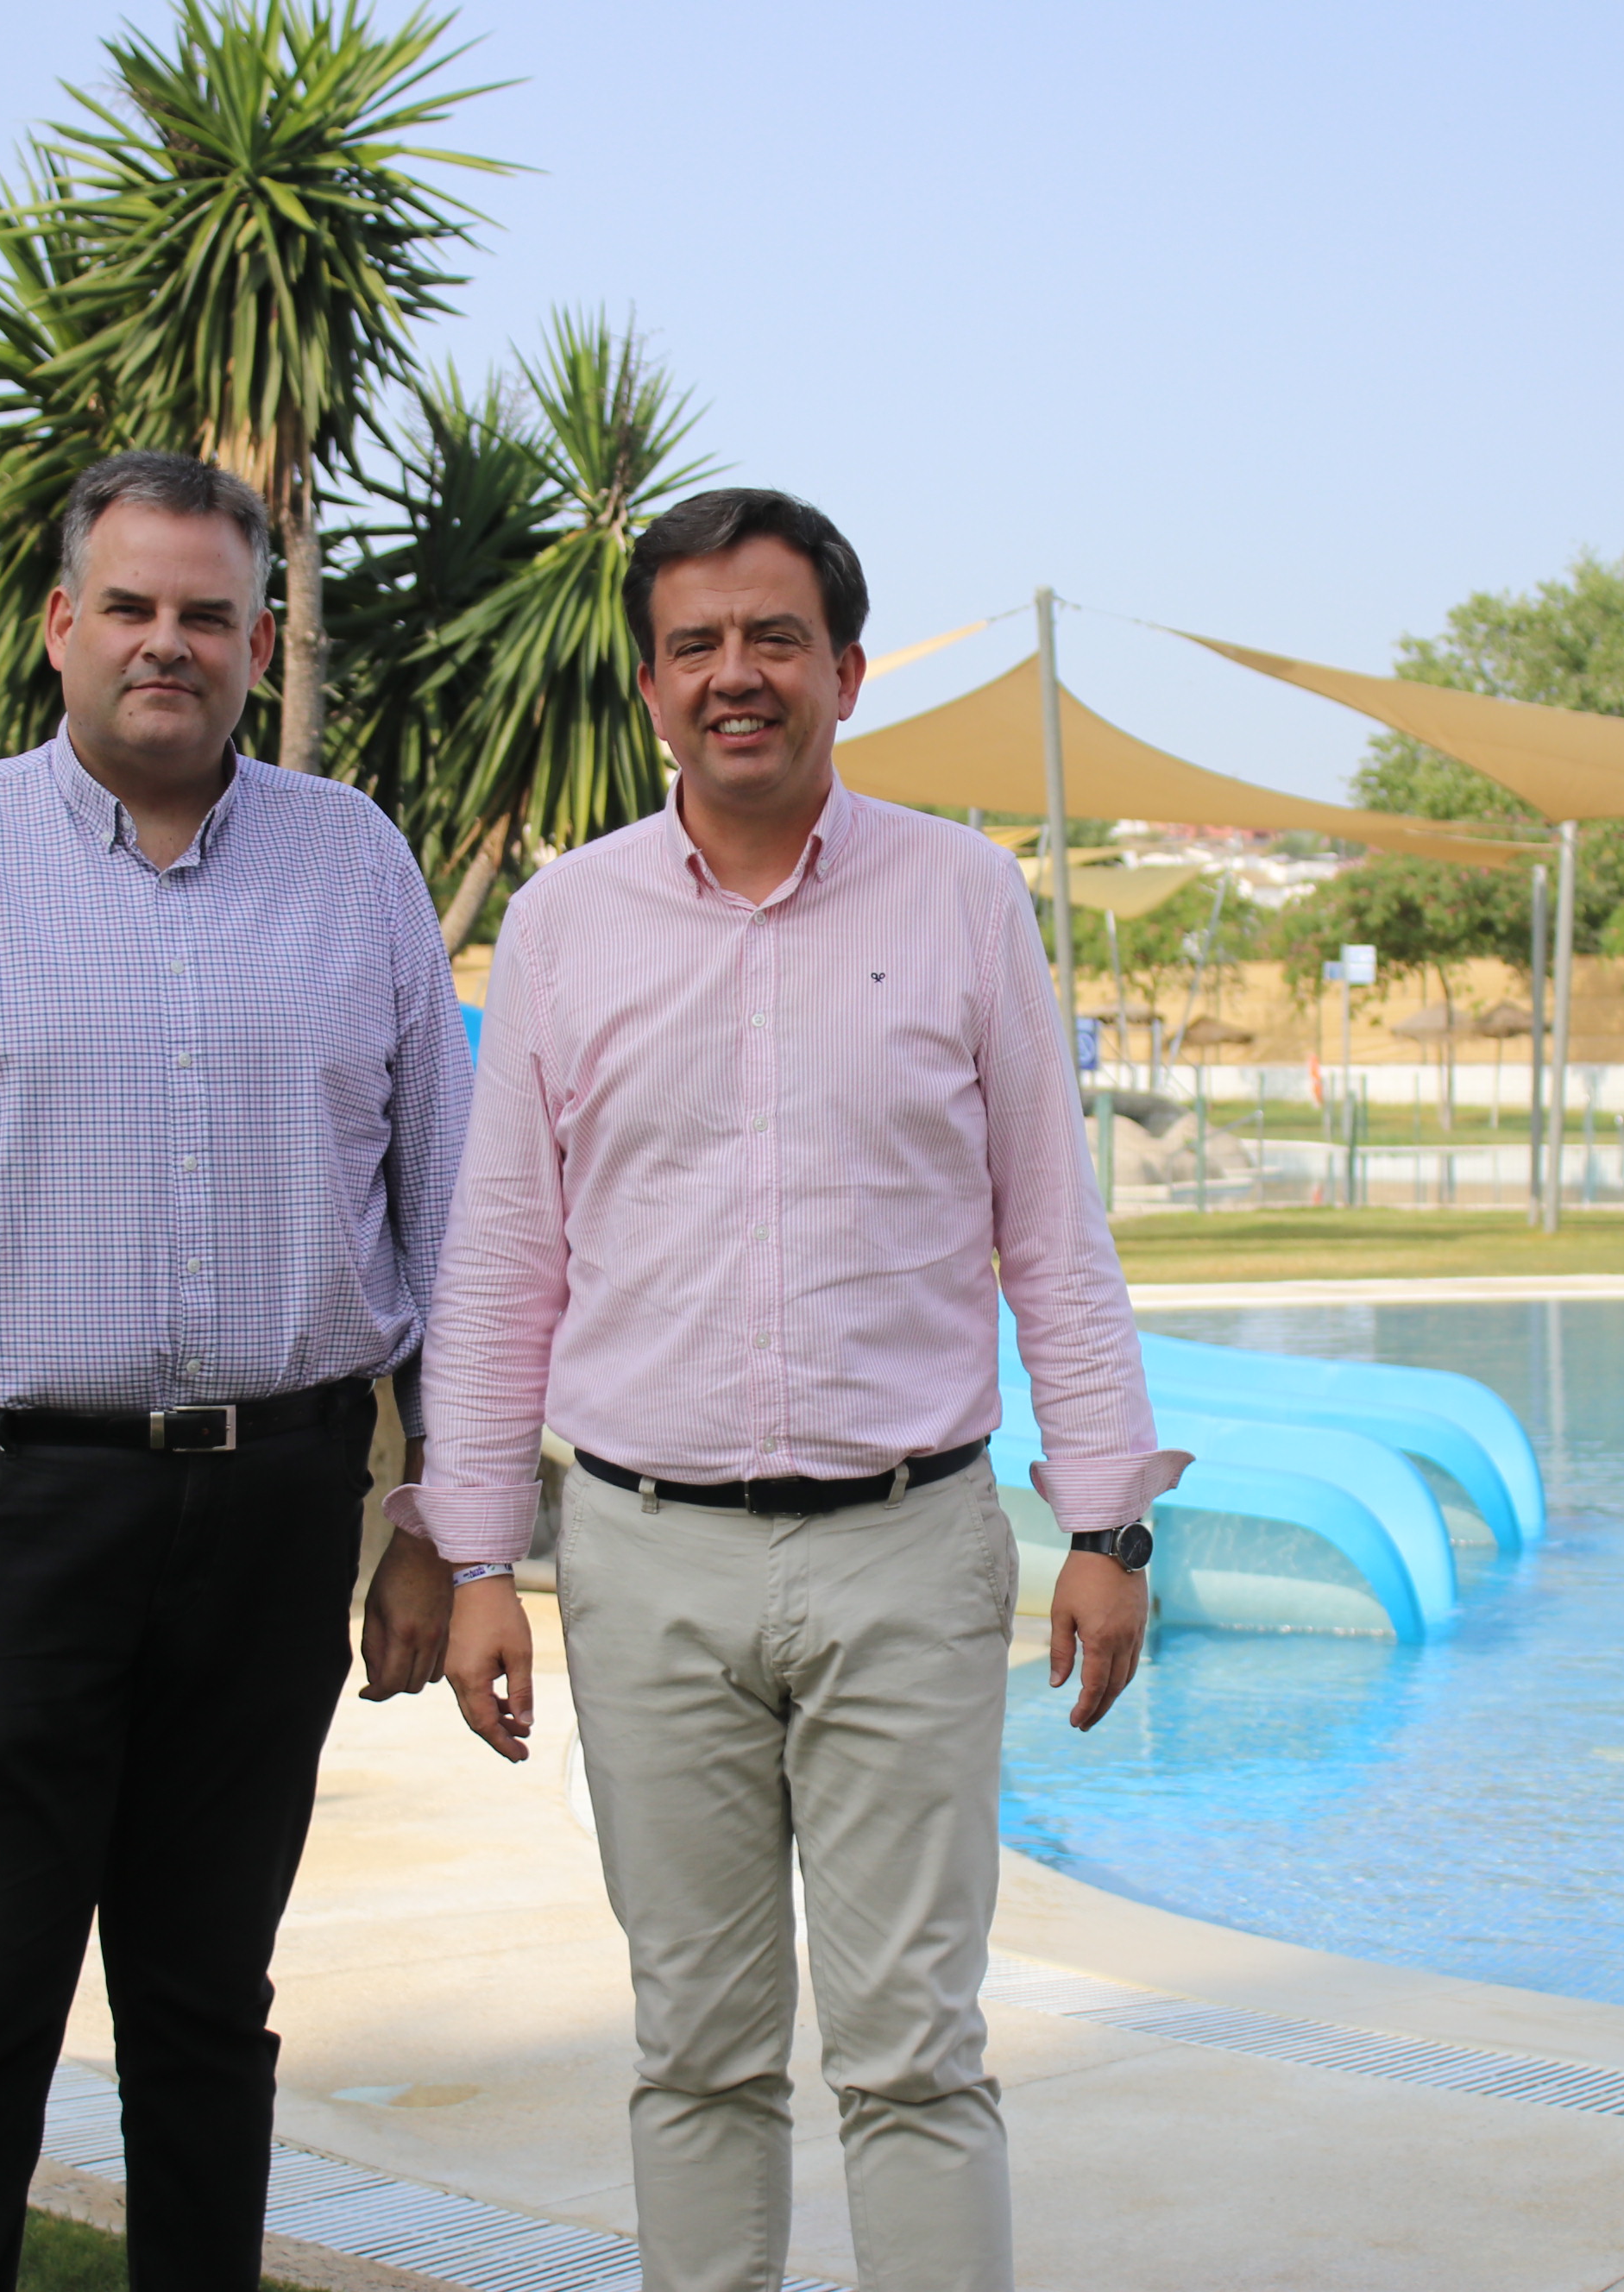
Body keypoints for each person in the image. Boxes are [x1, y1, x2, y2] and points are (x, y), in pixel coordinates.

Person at [386, 488, 1185, 2292]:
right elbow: (508, 1260)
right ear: (651, 682)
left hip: (907, 1551)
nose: (734, 675)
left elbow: (1053, 1234)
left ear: (845, 665)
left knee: (915, 2049)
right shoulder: (570, 919)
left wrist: (1109, 1518)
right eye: (694, 645)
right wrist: (478, 1555)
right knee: (698, 2048)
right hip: (648, 1558)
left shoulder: (967, 897)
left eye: (771, 639)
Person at [0, 449, 470, 2292]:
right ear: (62, 626)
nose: (169, 642)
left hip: (282, 1501)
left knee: (212, 2011)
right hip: (0, 1514)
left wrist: (439, 1520)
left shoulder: (356, 861)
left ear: (259, 638)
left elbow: (452, 1218)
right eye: (130, 606)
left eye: (209, 614)